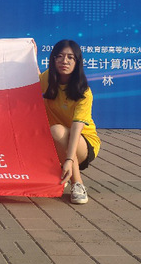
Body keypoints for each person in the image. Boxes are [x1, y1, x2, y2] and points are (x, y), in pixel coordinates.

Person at [39, 39, 101, 205]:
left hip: (83, 143)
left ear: (77, 62)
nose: (64, 61)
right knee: (52, 131)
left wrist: (69, 160)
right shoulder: (47, 78)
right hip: (56, 141)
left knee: (58, 131)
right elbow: (32, 80)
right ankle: (59, 173)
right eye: (59, 56)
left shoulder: (83, 92)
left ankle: (77, 183)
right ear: (53, 59)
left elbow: (76, 129)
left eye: (70, 57)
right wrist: (29, 53)